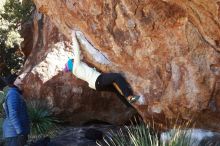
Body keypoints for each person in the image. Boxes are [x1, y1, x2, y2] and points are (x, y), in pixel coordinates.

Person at [64, 31, 140, 104]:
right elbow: (77, 51)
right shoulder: (76, 66)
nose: (74, 59)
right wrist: (73, 37)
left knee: (115, 89)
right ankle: (130, 97)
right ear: (72, 63)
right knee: (117, 77)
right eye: (73, 60)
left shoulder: (76, 72)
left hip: (96, 86)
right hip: (98, 80)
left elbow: (88, 73)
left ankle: (129, 105)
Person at [2, 73, 30, 146]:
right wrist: (20, 132)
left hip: (17, 132)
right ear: (13, 81)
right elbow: (13, 114)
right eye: (18, 78)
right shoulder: (13, 94)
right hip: (14, 134)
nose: (20, 79)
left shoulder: (16, 92)